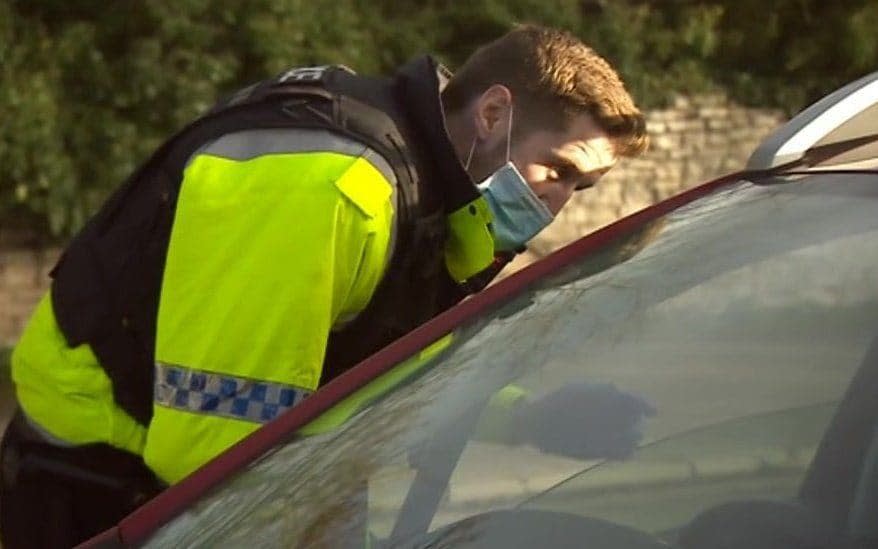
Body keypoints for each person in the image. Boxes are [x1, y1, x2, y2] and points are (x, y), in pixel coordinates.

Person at [0, 24, 647, 548]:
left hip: (180, 487)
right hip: (100, 491)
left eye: (579, 187)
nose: (557, 201)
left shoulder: (422, 193)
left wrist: (522, 412)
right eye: (558, 169)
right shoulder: (334, 188)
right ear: (494, 111)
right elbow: (217, 448)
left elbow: (378, 361)